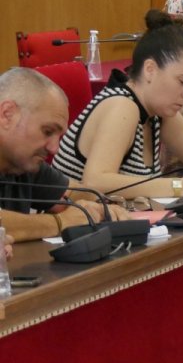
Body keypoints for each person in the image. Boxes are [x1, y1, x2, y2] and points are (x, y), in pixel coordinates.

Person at [52, 11, 183, 198]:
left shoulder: (159, 112)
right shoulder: (121, 106)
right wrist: (181, 185)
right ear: (150, 70)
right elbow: (95, 182)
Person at [0, 68, 129, 242]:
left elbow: (77, 194)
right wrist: (61, 222)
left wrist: (106, 207)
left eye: (58, 136)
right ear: (7, 114)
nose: (54, 148)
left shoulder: (23, 164)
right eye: (47, 131)